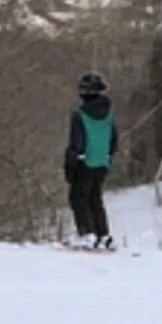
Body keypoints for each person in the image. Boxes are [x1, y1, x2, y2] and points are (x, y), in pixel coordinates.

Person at [64, 70, 119, 249]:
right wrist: (107, 156)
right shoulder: (109, 116)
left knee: (78, 198)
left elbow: (76, 142)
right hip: (102, 162)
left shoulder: (79, 115)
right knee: (95, 199)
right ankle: (103, 234)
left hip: (84, 161)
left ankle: (87, 233)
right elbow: (113, 141)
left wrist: (70, 164)